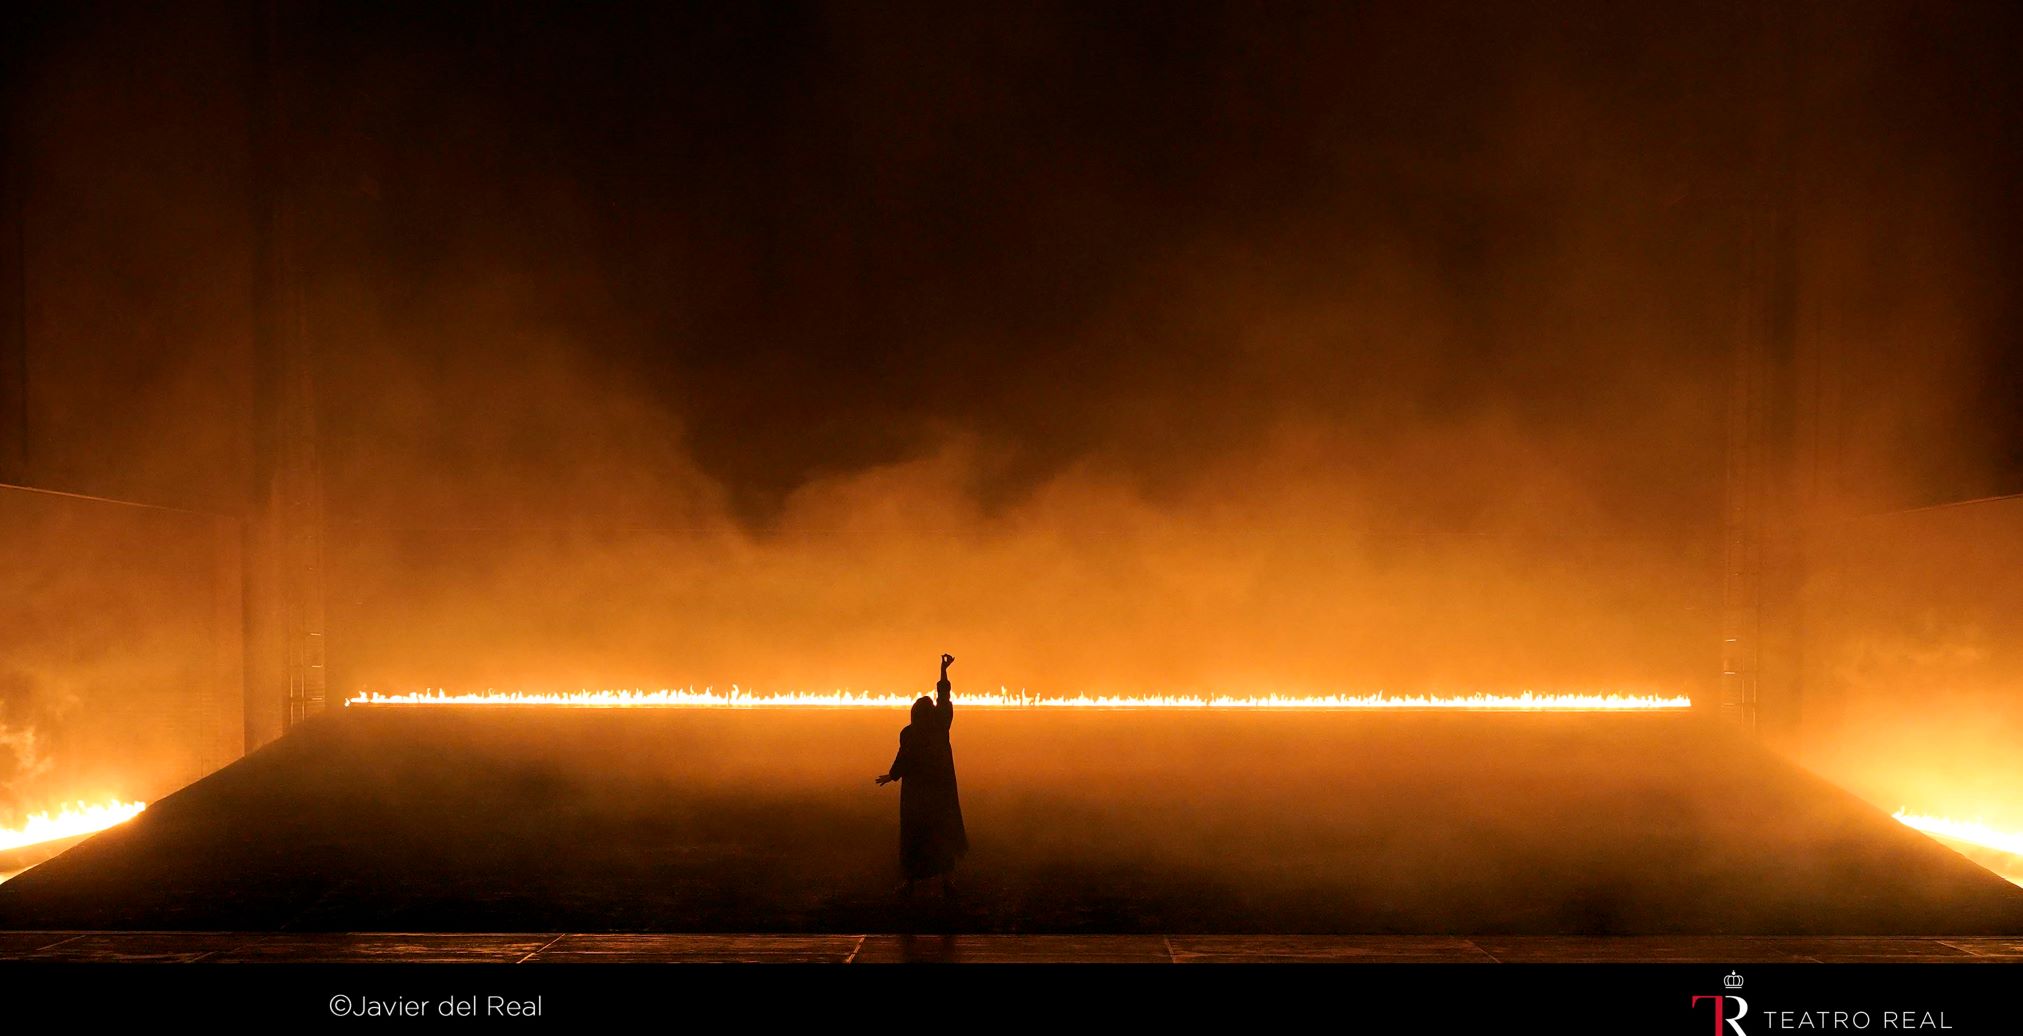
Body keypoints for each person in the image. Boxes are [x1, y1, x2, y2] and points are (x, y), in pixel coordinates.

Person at [874, 652, 968, 896]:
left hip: (916, 797)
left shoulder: (910, 732)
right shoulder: (940, 726)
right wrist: (944, 670)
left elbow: (903, 759)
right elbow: (944, 697)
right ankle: (946, 881)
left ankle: (911, 882)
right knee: (941, 836)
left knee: (914, 839)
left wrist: (892, 775)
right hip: (939, 795)